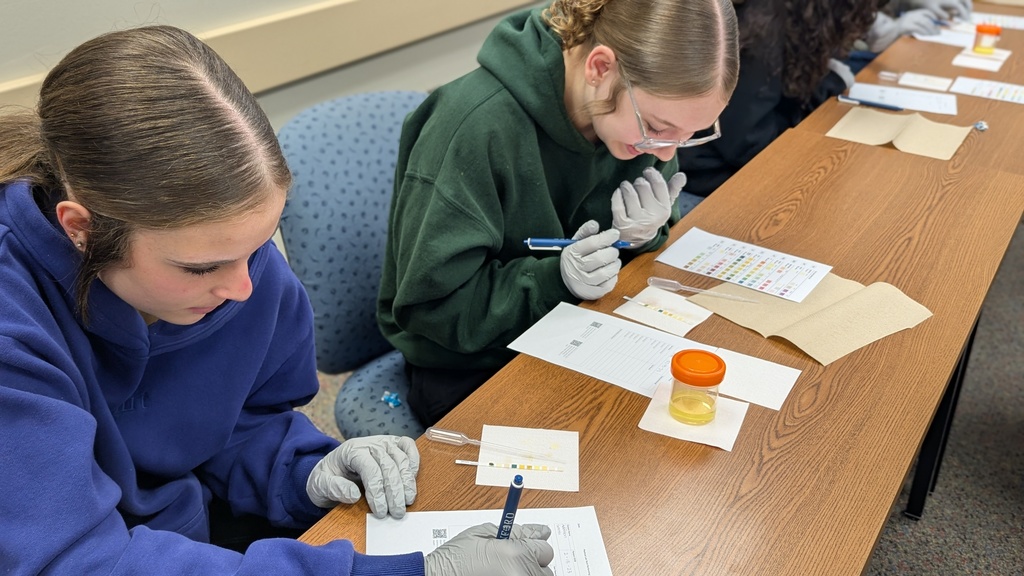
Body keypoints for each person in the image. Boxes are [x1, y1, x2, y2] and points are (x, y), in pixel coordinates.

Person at [0, 26, 553, 575]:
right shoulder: (14, 326)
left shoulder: (241, 273)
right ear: (84, 232)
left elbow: (237, 423)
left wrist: (302, 467)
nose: (244, 289)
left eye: (259, 246)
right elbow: (74, 559)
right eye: (201, 267)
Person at [376, 0, 740, 427]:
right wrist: (555, 280)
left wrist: (643, 236)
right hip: (472, 363)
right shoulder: (472, 128)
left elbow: (628, 253)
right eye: (658, 129)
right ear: (600, 68)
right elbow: (430, 309)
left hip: (584, 328)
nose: (665, 152)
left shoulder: (643, 119)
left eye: (691, 135)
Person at [676, 0, 878, 197]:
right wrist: (826, 86)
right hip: (710, 179)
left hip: (727, 166)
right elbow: (749, 145)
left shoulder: (785, 21)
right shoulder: (763, 34)